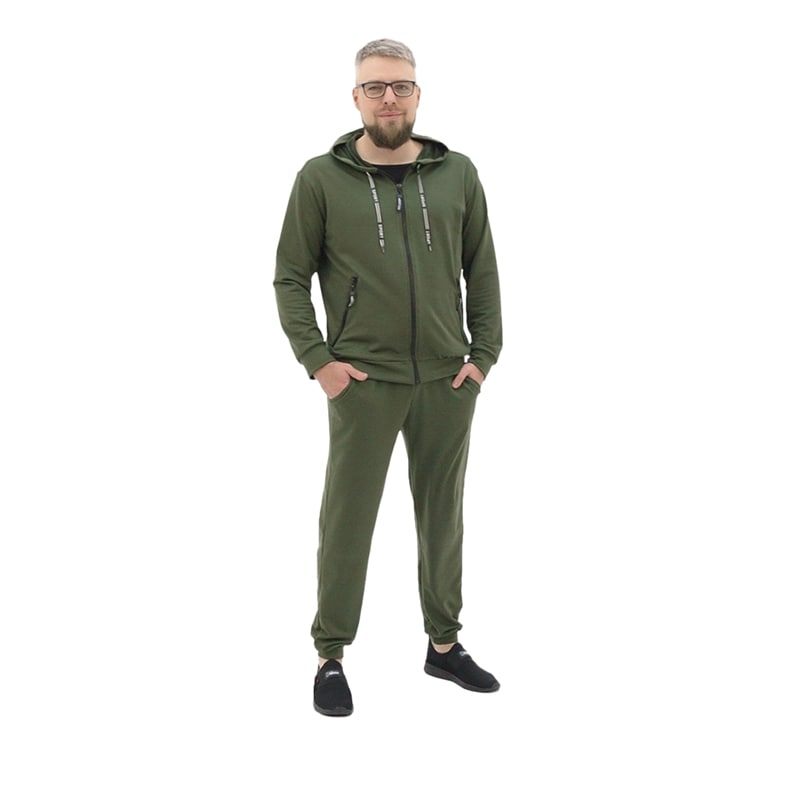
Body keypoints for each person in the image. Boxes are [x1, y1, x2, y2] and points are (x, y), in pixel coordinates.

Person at [274, 38, 503, 716]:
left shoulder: (458, 173)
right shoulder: (320, 178)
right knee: (348, 519)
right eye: (375, 87)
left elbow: (482, 269)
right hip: (363, 382)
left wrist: (482, 356)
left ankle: (444, 646)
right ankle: (331, 655)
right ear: (356, 98)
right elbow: (289, 277)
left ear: (418, 94)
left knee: (443, 519)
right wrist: (320, 362)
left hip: (447, 381)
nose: (389, 98)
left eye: (401, 85)